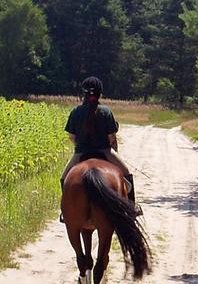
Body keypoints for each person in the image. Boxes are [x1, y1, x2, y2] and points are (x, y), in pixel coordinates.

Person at [60, 76, 141, 217]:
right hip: (105, 151)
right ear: (100, 93)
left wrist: (79, 146)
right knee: (126, 173)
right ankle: (131, 207)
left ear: (83, 93)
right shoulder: (106, 112)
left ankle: (65, 211)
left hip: (81, 153)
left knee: (64, 178)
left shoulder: (76, 112)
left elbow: (72, 136)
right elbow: (111, 137)